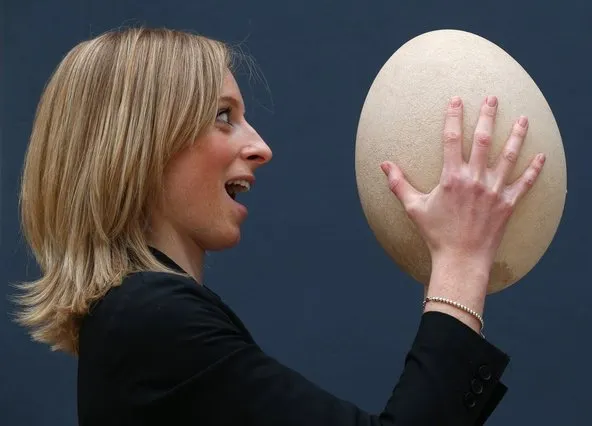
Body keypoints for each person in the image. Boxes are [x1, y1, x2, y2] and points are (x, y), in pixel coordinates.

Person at [15, 27, 545, 426]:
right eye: (224, 116)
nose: (260, 147)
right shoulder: (154, 322)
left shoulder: (142, 319)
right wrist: (460, 261)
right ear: (139, 147)